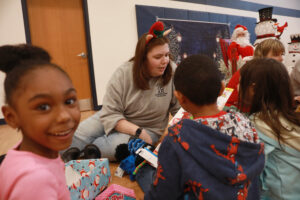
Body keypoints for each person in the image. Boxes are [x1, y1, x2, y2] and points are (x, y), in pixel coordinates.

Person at [144, 54, 265, 200]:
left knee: (144, 173)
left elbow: (163, 194)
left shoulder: (177, 138)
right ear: (222, 89)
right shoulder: (246, 124)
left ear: (180, 97)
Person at [64, 21, 180, 161]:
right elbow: (111, 113)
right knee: (77, 136)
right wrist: (138, 131)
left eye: (167, 55)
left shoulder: (172, 71)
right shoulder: (123, 73)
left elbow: (179, 110)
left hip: (149, 129)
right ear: (143, 58)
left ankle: (81, 155)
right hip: (115, 118)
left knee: (116, 148)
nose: (165, 61)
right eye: (158, 57)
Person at [0, 44, 81, 199]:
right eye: (43, 107)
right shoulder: (35, 180)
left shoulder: (26, 152)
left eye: (69, 101)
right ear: (11, 117)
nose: (64, 116)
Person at [239, 58, 300, 200]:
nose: (237, 87)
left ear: (253, 89)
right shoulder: (290, 118)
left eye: (240, 83)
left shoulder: (257, 124)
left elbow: (254, 177)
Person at [225, 39, 285, 111]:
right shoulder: (252, 72)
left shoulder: (266, 71)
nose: (281, 59)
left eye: (282, 54)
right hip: (236, 113)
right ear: (262, 56)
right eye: (276, 55)